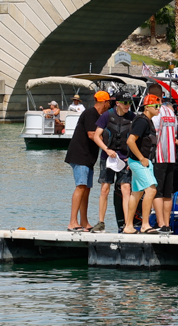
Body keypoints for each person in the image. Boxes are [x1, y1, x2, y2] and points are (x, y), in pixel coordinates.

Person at [63, 92, 108, 232]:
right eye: (109, 102)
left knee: (86, 189)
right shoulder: (90, 113)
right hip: (80, 156)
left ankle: (84, 221)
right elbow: (91, 134)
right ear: (104, 102)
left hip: (88, 158)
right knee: (81, 186)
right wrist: (108, 145)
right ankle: (72, 222)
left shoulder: (97, 115)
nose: (110, 105)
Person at [91, 91, 135, 232]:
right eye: (125, 103)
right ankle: (101, 222)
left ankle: (128, 224)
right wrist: (106, 149)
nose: (128, 106)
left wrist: (133, 156)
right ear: (118, 103)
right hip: (108, 158)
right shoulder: (106, 116)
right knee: (105, 188)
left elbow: (138, 138)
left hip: (125, 158)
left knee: (126, 189)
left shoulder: (133, 118)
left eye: (129, 103)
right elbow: (97, 136)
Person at [125, 94, 161, 234]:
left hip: (141, 161)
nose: (159, 109)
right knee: (151, 190)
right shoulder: (142, 122)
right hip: (140, 162)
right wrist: (141, 158)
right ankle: (145, 224)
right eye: (156, 106)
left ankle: (128, 226)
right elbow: (130, 141)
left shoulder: (148, 121)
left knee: (137, 193)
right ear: (147, 107)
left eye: (160, 106)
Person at [151, 96, 178, 233]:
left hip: (159, 156)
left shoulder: (157, 113)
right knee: (168, 193)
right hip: (171, 156)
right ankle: (167, 224)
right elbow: (174, 134)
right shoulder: (171, 113)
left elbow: (154, 135)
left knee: (157, 192)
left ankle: (160, 223)